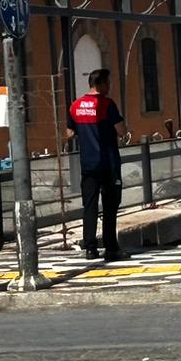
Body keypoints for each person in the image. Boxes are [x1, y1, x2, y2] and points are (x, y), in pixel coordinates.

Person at [68, 68, 126, 260]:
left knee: (90, 206)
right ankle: (111, 248)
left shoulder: (75, 106)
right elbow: (121, 131)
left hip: (88, 165)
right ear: (100, 84)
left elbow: (68, 134)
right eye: (107, 83)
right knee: (110, 206)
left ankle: (90, 248)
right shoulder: (106, 104)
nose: (109, 87)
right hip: (108, 164)